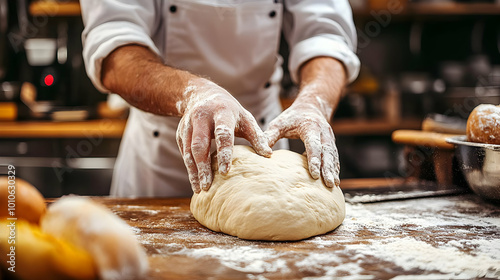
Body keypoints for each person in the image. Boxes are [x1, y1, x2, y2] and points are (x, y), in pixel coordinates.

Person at [80, 0, 360, 197]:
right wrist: (193, 93)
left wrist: (313, 103)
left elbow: (325, 35)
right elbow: (115, 49)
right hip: (162, 163)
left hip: (267, 149)